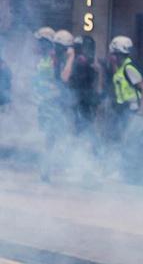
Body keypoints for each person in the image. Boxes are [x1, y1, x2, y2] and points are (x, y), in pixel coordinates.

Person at [32, 27, 62, 182]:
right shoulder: (43, 58)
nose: (37, 45)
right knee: (47, 136)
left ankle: (47, 168)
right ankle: (46, 167)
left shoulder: (54, 58)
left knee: (51, 137)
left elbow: (60, 80)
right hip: (44, 102)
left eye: (40, 42)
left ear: (46, 43)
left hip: (53, 103)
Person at [106, 35, 143, 143]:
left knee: (128, 141)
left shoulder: (128, 68)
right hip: (125, 109)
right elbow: (119, 79)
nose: (110, 56)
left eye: (112, 54)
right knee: (121, 138)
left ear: (118, 54)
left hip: (134, 110)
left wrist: (141, 111)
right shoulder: (120, 67)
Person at [65, 36, 99, 136]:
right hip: (81, 96)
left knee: (83, 123)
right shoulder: (86, 61)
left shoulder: (81, 60)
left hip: (83, 96)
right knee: (83, 123)